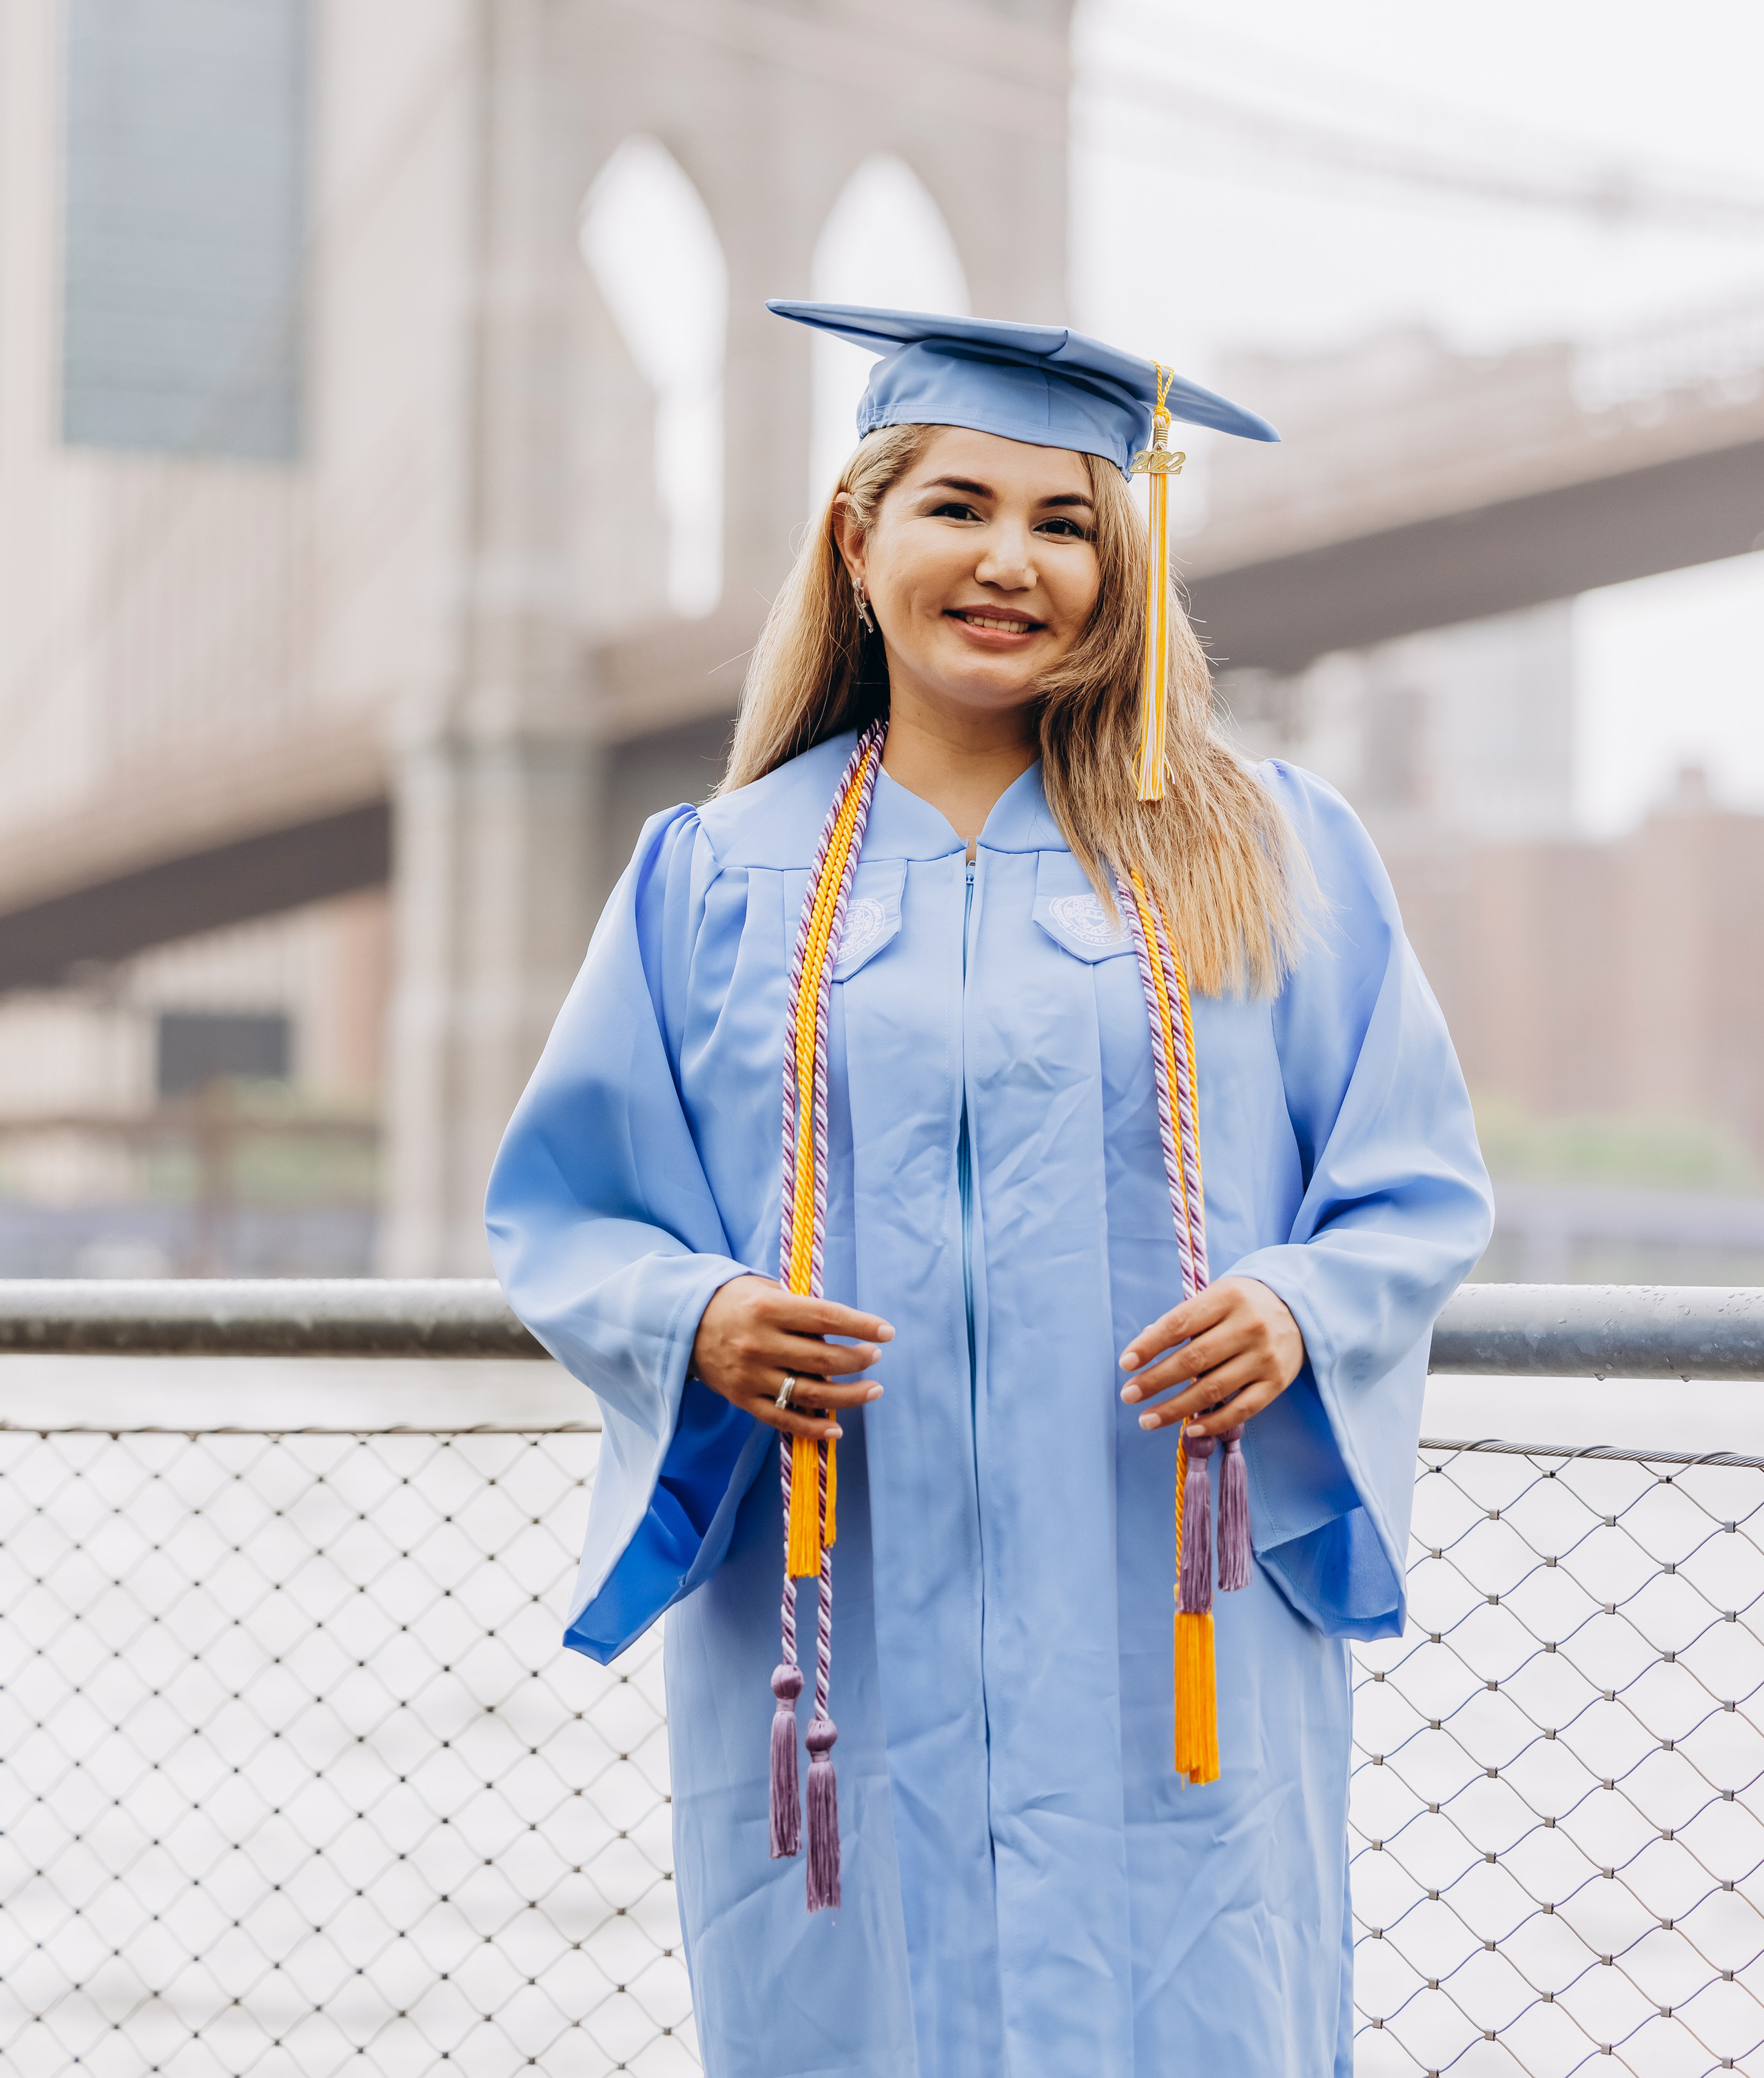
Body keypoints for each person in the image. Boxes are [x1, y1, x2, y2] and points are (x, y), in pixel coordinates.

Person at [486, 300, 1493, 2078]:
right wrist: (698, 1315)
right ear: (859, 537)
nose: (1008, 563)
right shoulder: (714, 876)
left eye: (1067, 525)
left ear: (1125, 570)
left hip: (1160, 1606)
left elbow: (1408, 1184)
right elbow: (568, 1211)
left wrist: (1297, 1308)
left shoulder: (1265, 850)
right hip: (846, 1600)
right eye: (958, 507)